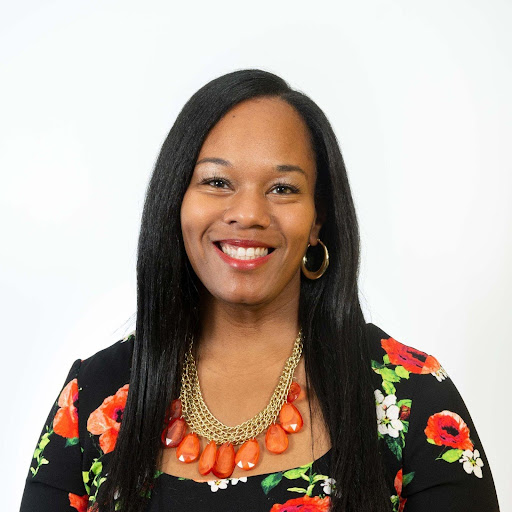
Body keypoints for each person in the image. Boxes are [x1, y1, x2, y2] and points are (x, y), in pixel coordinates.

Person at [20, 69, 500, 512]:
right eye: (217, 181)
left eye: (283, 189)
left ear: (318, 221)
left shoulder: (411, 396)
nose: (248, 212)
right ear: (176, 202)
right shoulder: (93, 399)